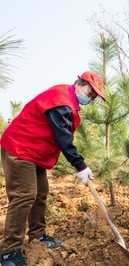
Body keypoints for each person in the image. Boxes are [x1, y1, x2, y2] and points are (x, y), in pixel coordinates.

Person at [0, 71, 105, 266]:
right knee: (25, 195)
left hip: (34, 152)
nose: (90, 98)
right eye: (90, 92)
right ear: (80, 84)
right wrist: (80, 165)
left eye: (93, 96)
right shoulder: (61, 101)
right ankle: (9, 251)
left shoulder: (68, 101)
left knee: (41, 193)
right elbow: (63, 138)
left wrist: (79, 164)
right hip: (20, 147)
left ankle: (38, 236)